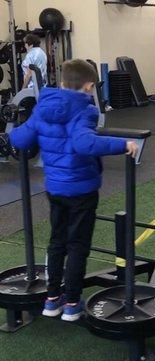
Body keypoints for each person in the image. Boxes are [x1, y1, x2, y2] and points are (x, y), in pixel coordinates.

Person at [10, 59, 138, 321]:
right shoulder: (85, 110)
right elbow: (84, 143)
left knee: (57, 241)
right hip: (81, 189)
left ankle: (52, 299)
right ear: (89, 86)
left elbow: (20, 139)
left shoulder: (44, 106)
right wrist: (123, 143)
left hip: (55, 188)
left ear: (62, 82)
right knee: (78, 245)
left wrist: (15, 127)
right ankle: (71, 304)